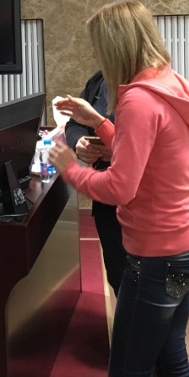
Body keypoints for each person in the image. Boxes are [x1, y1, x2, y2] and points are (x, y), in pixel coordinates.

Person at [50, 0, 189, 377]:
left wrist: (69, 169)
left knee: (127, 371)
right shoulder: (167, 83)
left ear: (115, 47)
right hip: (185, 244)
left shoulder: (137, 100)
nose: (94, 54)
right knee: (169, 354)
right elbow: (151, 156)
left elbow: (120, 188)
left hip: (155, 256)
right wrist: (97, 122)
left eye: (98, 46)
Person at [63, 70, 126, 292]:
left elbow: (180, 150)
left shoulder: (150, 89)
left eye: (98, 46)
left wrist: (119, 152)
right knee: (118, 276)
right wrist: (79, 142)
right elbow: (73, 124)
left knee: (140, 293)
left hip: (142, 205)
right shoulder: (99, 80)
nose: (92, 53)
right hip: (106, 200)